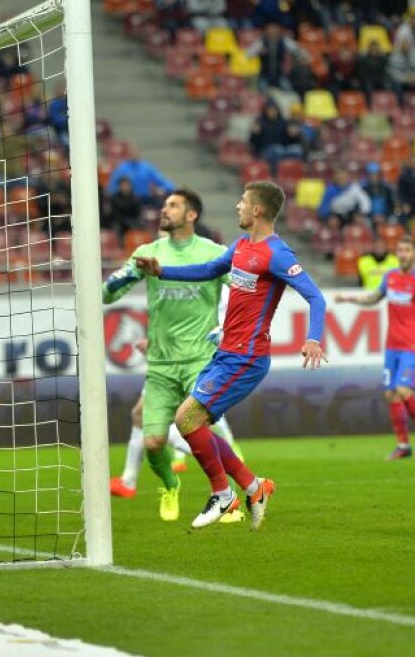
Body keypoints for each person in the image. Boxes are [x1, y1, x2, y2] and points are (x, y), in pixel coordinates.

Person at [134, 181, 327, 530]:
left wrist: (313, 338)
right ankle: (255, 487)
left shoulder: (278, 254)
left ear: (257, 210)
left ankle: (223, 495)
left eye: (242, 201)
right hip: (226, 353)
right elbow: (208, 270)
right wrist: (162, 270)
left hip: (248, 358)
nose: (237, 206)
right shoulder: (240, 246)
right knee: (198, 426)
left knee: (186, 419)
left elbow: (316, 297)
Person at [103, 189, 243, 523]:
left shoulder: (213, 253)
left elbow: (244, 290)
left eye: (173, 205)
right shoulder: (148, 251)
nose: (164, 210)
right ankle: (170, 485)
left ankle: (228, 498)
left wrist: (228, 328)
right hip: (161, 364)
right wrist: (116, 281)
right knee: (153, 442)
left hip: (200, 359)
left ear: (191, 215)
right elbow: (110, 294)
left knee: (203, 427)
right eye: (165, 205)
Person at [334, 236, 415, 460]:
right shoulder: (390, 277)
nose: (402, 254)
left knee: (403, 390)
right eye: (400, 250)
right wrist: (348, 298)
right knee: (391, 394)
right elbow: (373, 298)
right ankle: (403, 445)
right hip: (392, 346)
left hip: (411, 346)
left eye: (407, 250)